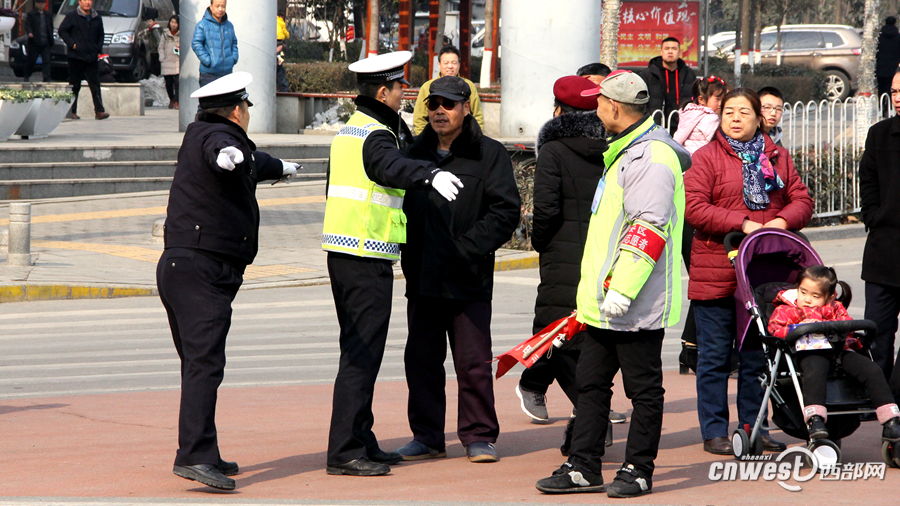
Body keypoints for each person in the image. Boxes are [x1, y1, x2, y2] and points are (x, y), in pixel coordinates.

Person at [535, 70, 690, 498]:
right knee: (591, 383)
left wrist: (623, 288)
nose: (594, 108)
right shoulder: (626, 151)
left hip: (634, 301)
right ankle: (584, 465)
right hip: (605, 301)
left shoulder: (650, 158)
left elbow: (650, 227)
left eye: (599, 102)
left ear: (615, 108)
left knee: (643, 390)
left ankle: (639, 469)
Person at [321, 51, 464, 477]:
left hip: (347, 253)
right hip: (364, 256)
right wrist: (428, 174)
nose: (406, 93)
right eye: (401, 87)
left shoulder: (354, 129)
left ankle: (361, 438)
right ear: (383, 92)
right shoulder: (376, 136)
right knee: (361, 356)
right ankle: (345, 450)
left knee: (360, 351)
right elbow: (388, 165)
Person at [157, 72, 299, 491]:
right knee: (205, 364)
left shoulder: (215, 138)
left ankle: (206, 449)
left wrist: (281, 168)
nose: (248, 114)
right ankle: (195, 457)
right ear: (237, 111)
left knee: (199, 364)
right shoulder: (214, 138)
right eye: (247, 107)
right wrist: (225, 154)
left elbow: (253, 161)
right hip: (201, 271)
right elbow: (221, 150)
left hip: (185, 268)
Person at [396, 76, 520, 464]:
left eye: (448, 104)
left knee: (473, 363)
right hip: (422, 277)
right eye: (433, 103)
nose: (439, 111)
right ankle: (427, 436)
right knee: (421, 361)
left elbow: (506, 212)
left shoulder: (490, 155)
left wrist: (465, 249)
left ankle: (479, 435)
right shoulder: (413, 153)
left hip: (468, 278)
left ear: (466, 108)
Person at [685, 87, 813, 456]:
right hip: (717, 268)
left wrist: (779, 220)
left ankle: (754, 426)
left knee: (758, 356)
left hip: (762, 273)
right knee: (714, 356)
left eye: (744, 112)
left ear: (759, 118)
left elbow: (802, 200)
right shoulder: (706, 157)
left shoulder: (776, 156)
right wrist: (741, 223)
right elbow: (694, 207)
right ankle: (714, 430)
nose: (735, 118)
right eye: (728, 112)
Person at [515, 74, 625, 453]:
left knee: (553, 338)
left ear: (558, 110)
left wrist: (542, 244)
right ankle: (589, 420)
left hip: (561, 258)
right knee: (590, 341)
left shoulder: (554, 152)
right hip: (605, 257)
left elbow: (544, 212)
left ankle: (589, 415)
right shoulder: (614, 148)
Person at [768, 265, 900, 442]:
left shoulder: (835, 308)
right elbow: (775, 329)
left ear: (830, 297)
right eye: (803, 292)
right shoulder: (786, 310)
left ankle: (890, 419)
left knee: (872, 370)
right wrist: (797, 329)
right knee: (815, 371)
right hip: (808, 353)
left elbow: (847, 325)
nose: (807, 300)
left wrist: (834, 327)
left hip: (839, 351)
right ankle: (815, 419)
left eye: (815, 296)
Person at [860, 68, 900, 406]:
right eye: (894, 91)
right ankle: (877, 398)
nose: (898, 97)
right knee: (877, 334)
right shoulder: (879, 134)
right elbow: (868, 183)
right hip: (882, 254)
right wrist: (873, 216)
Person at [412, 45, 484, 135]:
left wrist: (472, 138)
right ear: (439, 64)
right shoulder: (427, 87)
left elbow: (478, 117)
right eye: (446, 63)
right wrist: (426, 140)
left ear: (459, 64)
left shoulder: (468, 86)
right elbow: (419, 119)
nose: (450, 66)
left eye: (454, 63)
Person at [58, 0, 109, 120]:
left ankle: (99, 111)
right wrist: (72, 44)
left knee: (95, 84)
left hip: (91, 56)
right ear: (79, 2)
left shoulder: (97, 17)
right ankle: (72, 111)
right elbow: (62, 31)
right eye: (84, 0)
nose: (87, 3)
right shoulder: (72, 16)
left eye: (89, 0)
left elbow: (101, 34)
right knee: (75, 85)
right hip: (76, 56)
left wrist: (98, 48)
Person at [640, 37, 697, 133]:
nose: (670, 52)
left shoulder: (688, 74)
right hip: (654, 126)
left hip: (681, 127)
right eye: (667, 49)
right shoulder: (648, 74)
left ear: (679, 52)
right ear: (661, 52)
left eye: (674, 49)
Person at [674, 76, 728, 154]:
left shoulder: (689, 113)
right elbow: (720, 140)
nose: (721, 104)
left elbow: (678, 138)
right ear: (701, 100)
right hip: (703, 158)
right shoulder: (710, 118)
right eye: (718, 99)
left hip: (687, 156)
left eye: (723, 99)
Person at [192, 0, 238, 87]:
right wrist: (208, 61)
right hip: (209, 75)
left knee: (226, 100)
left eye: (223, 6)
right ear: (211, 6)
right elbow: (196, 43)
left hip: (227, 74)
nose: (220, 9)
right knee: (210, 100)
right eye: (217, 6)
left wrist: (233, 59)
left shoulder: (229, 26)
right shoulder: (202, 25)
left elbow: (234, 43)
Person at [23, 0, 53, 83]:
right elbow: (27, 25)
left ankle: (46, 77)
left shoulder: (48, 15)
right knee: (31, 60)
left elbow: (50, 27)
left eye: (42, 3)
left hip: (46, 41)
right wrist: (30, 32)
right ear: (36, 4)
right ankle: (27, 75)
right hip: (35, 41)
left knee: (46, 60)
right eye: (39, 3)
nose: (40, 5)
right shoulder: (31, 14)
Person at [876, 17, 900, 118]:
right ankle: (892, 109)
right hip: (893, 69)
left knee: (881, 89)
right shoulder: (898, 37)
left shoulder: (879, 37)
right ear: (895, 24)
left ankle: (882, 109)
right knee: (892, 89)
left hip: (880, 68)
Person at [159, 15, 181, 109]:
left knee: (177, 83)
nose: (173, 24)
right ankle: (171, 98)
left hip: (177, 60)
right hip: (167, 60)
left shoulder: (181, 34)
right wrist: (162, 57)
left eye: (175, 22)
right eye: (172, 22)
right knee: (168, 83)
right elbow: (161, 47)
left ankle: (177, 101)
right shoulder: (165, 34)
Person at [276, 10, 290, 93]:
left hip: (276, 43)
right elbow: (286, 34)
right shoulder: (282, 23)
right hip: (279, 42)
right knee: (280, 68)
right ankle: (284, 89)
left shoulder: (273, 21)